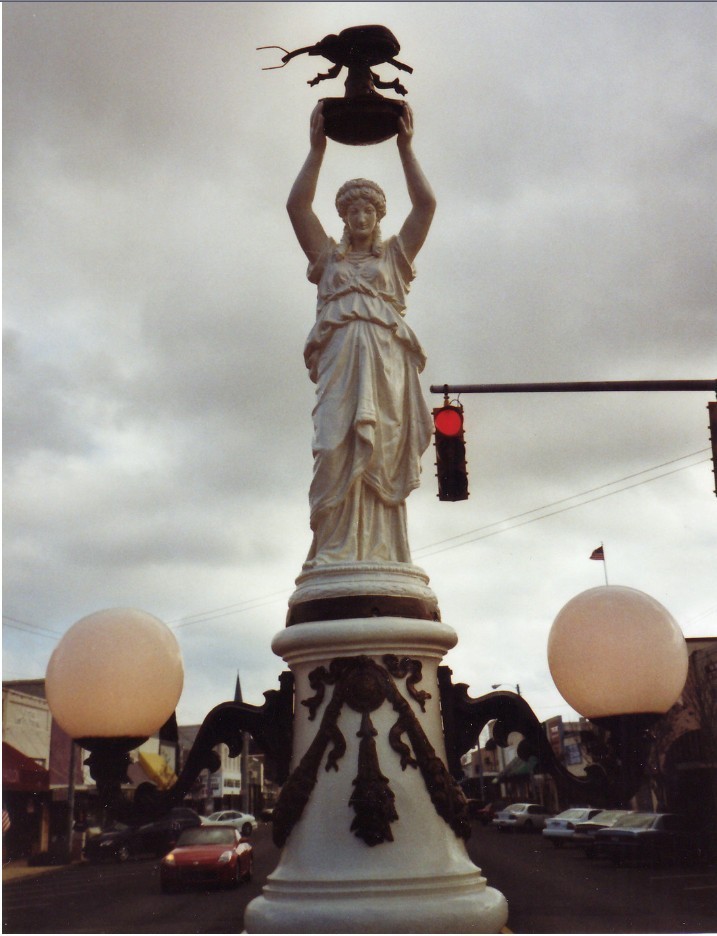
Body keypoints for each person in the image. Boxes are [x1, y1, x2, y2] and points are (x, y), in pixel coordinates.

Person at [287, 102, 436, 568]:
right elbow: (297, 206)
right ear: (343, 218)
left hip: (385, 365)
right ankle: (331, 550)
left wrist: (405, 148)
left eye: (368, 209)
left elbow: (426, 206)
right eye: (351, 210)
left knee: (380, 454)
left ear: (378, 216)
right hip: (339, 364)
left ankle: (384, 555)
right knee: (333, 447)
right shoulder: (327, 259)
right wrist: (316, 151)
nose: (360, 217)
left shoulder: (394, 259)